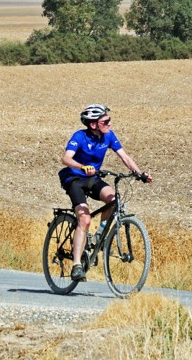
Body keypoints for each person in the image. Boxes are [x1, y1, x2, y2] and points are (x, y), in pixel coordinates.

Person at [59, 104, 153, 281]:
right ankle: (77, 265)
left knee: (114, 200)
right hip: (74, 179)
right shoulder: (79, 136)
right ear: (93, 124)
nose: (110, 123)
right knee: (85, 219)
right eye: (105, 121)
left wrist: (140, 174)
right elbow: (66, 158)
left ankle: (99, 236)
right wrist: (82, 167)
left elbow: (125, 157)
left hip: (93, 178)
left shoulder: (108, 136)